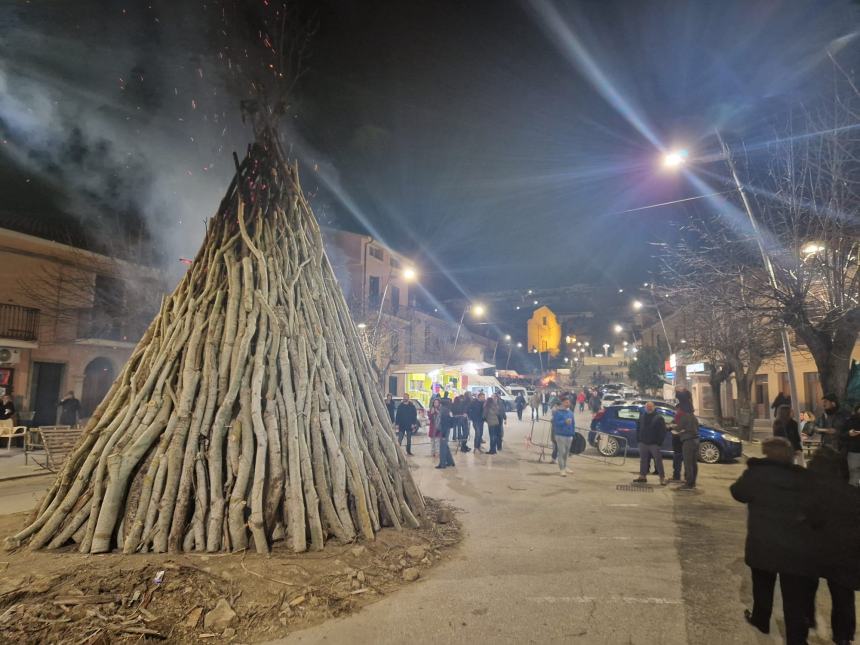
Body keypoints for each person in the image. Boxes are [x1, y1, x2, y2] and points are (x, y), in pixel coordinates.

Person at [730, 437, 820, 643]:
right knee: (794, 598)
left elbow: (738, 493)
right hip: (795, 547)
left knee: (762, 585)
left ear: (767, 453)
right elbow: (816, 509)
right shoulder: (802, 478)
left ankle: (761, 619)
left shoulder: (756, 474)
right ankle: (796, 638)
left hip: (763, 542)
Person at [807, 447, 860, 644]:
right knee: (843, 598)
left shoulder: (810, 493)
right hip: (844, 554)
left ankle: (808, 618)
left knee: (806, 587)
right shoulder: (853, 495)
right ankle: (843, 636)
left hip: (813, 551)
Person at [633, 402, 667, 485]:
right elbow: (638, 428)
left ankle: (662, 478)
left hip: (654, 444)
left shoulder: (659, 418)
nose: (649, 408)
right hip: (643, 442)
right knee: (643, 460)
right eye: (647, 406)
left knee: (658, 461)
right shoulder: (642, 416)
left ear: (654, 407)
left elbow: (663, 431)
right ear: (645, 407)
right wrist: (639, 439)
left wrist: (659, 442)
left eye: (651, 406)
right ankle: (642, 477)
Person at [673, 404, 699, 490]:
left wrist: (671, 427)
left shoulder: (685, 417)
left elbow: (678, 427)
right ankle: (693, 482)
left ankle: (689, 484)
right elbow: (694, 428)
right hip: (695, 440)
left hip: (688, 441)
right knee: (693, 463)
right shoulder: (693, 417)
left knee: (688, 463)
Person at [552, 397, 575, 477]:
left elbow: (573, 424)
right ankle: (562, 469)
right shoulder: (558, 412)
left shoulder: (571, 413)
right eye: (566, 402)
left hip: (569, 435)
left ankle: (565, 467)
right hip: (560, 435)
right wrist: (564, 422)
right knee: (561, 453)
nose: (568, 404)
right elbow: (555, 424)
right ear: (562, 403)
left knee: (566, 453)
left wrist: (573, 434)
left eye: (569, 402)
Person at [436, 397, 455, 469]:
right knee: (445, 446)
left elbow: (443, 423)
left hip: (444, 430)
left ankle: (442, 464)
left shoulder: (443, 410)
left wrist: (443, 433)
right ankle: (450, 462)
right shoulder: (448, 410)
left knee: (442, 447)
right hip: (446, 430)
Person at [844, 404, 860, 487]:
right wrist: (849, 434)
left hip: (853, 452)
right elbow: (842, 434)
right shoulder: (850, 420)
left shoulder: (850, 420)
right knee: (854, 477)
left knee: (854, 476)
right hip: (854, 452)